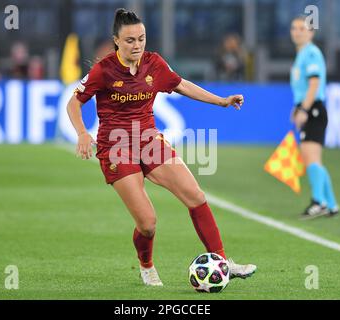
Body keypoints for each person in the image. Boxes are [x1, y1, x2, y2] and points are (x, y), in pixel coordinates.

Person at [67, 8, 256, 286]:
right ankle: (147, 265)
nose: (137, 45)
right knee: (148, 223)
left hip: (149, 141)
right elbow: (74, 102)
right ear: (116, 41)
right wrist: (82, 133)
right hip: (116, 147)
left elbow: (182, 85)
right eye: (130, 40)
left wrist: (221, 101)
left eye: (141, 38)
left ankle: (223, 262)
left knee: (195, 195)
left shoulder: (154, 64)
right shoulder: (103, 70)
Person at [290, 16, 340, 220]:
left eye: (302, 28)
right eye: (294, 28)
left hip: (314, 109)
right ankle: (331, 203)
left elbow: (314, 84)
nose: (297, 31)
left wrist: (303, 108)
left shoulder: (310, 53)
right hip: (312, 108)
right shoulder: (302, 54)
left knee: (311, 157)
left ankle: (319, 202)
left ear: (311, 32)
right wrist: (298, 107)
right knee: (315, 159)